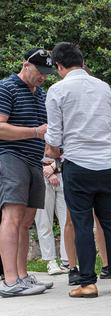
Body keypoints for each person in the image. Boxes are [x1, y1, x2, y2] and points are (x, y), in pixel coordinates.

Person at [45, 42, 111, 297]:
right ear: (81, 61)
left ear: (59, 66)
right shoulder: (104, 88)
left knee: (82, 223)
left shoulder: (57, 90)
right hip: (106, 163)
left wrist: (52, 152)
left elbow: (54, 138)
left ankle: (88, 283)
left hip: (78, 165)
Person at [0, 48, 54, 297]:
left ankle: (22, 276)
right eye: (39, 71)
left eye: (46, 73)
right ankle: (10, 281)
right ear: (25, 65)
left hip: (35, 161)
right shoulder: (6, 87)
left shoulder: (41, 94)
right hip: (11, 158)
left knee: (25, 222)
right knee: (11, 218)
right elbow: (0, 128)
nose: (42, 76)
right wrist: (34, 132)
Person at [34, 156, 69, 275]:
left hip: (63, 175)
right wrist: (47, 172)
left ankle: (67, 260)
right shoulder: (35, 136)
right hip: (41, 176)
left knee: (68, 221)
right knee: (44, 220)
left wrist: (54, 166)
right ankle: (50, 261)